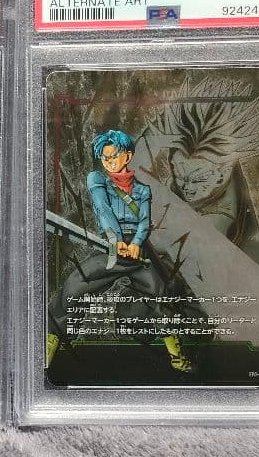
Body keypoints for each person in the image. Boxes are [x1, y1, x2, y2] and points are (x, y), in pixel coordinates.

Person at [48, 129, 191, 373]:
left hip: (138, 252)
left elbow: (144, 222)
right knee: (73, 287)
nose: (109, 161)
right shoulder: (97, 180)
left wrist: (135, 243)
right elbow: (103, 209)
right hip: (110, 249)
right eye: (105, 157)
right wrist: (115, 240)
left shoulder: (143, 190)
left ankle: (177, 356)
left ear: (128, 156)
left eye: (114, 156)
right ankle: (49, 347)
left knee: (161, 297)